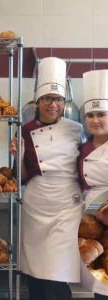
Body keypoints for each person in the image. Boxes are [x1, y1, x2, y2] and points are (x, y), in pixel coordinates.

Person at [10, 57, 84, 300]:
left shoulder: (76, 129)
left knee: (58, 271)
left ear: (64, 102)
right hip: (36, 204)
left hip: (67, 206)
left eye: (58, 99)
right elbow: (18, 177)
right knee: (35, 272)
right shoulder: (24, 130)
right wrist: (18, 156)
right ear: (38, 101)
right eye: (48, 99)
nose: (53, 104)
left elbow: (87, 164)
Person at [78, 69, 108, 300]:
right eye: (91, 115)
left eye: (101, 114)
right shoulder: (82, 148)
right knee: (101, 281)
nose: (95, 120)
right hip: (91, 226)